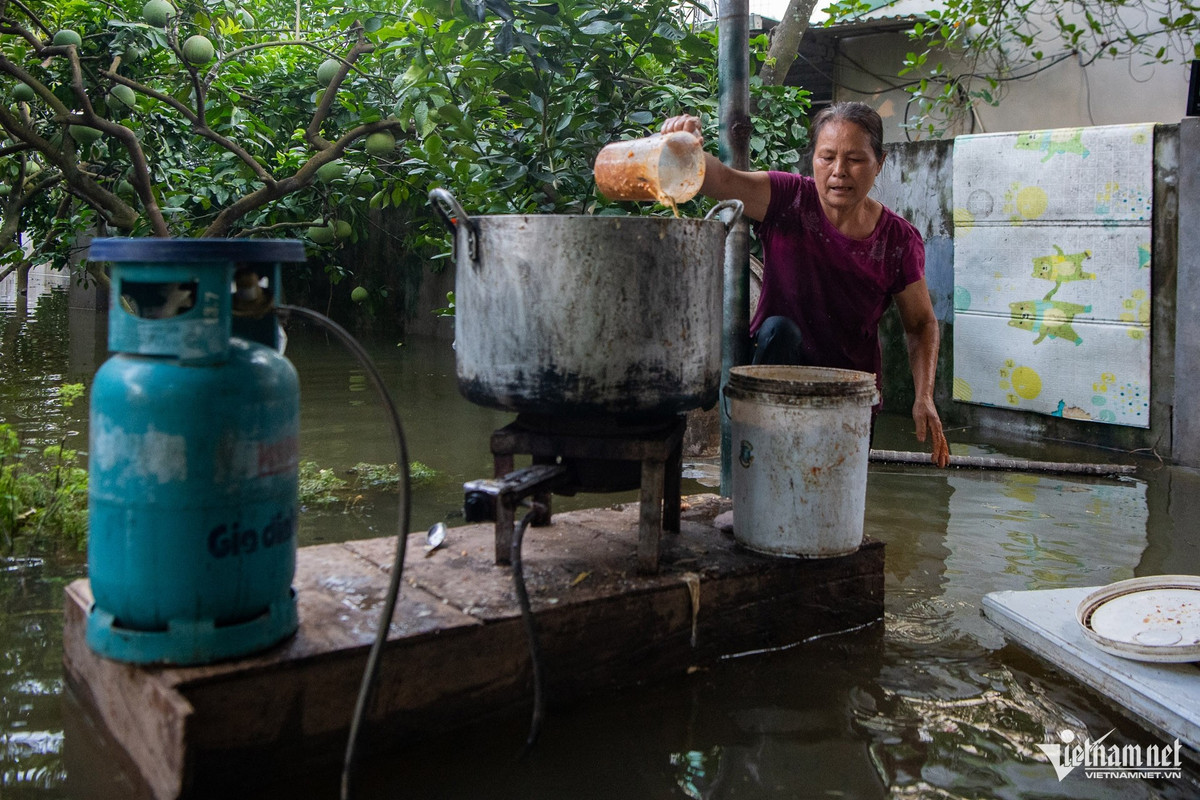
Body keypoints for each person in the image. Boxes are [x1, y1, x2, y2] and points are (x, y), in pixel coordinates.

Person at [662, 102, 951, 468]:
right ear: (812, 159)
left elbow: (922, 323)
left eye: (855, 160)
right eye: (827, 157)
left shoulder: (897, 239)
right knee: (778, 331)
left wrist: (923, 396)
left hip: (849, 397)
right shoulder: (788, 199)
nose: (838, 172)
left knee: (831, 508)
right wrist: (686, 146)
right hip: (774, 382)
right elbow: (719, 181)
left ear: (880, 162)